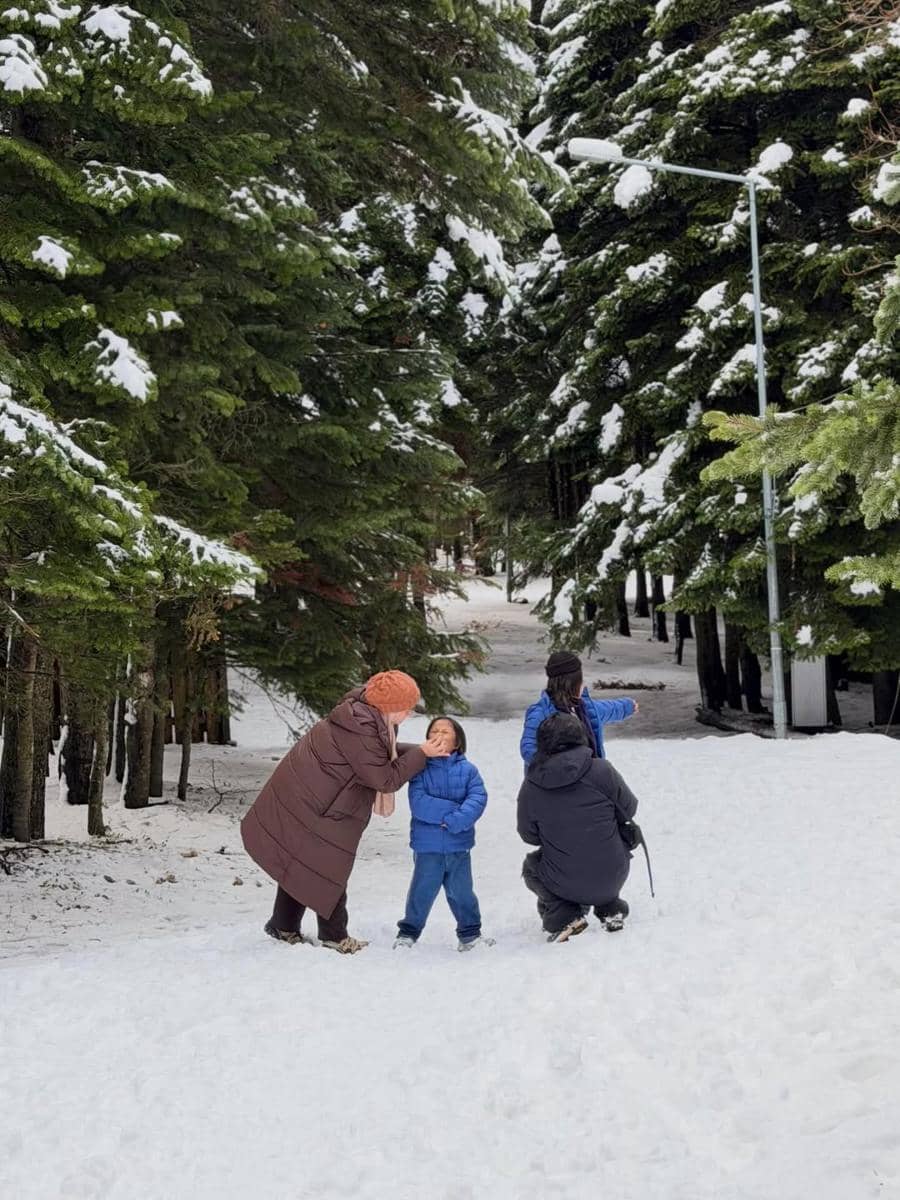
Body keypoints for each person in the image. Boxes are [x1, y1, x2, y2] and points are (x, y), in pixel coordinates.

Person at [241, 670, 450, 954]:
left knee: (303, 862)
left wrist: (421, 750)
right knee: (329, 868)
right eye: (407, 708)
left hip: (314, 798)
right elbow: (385, 778)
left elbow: (375, 754)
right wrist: (422, 754)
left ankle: (283, 925)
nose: (410, 714)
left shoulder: (363, 716)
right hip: (319, 805)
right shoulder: (362, 726)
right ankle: (335, 936)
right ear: (390, 706)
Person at [517, 712, 639, 943]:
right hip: (615, 872)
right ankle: (610, 907)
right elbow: (629, 809)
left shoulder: (532, 784)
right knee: (605, 846)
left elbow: (528, 834)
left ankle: (565, 915)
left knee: (531, 867)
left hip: (565, 880)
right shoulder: (602, 770)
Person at [394, 716, 491, 952]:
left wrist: (457, 820)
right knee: (422, 891)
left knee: (462, 893)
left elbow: (478, 799)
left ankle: (470, 935)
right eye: (433, 731)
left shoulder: (468, 771)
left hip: (459, 845)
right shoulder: (420, 769)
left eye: (445, 732)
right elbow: (419, 803)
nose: (438, 735)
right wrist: (453, 811)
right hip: (428, 847)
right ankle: (408, 933)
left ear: (457, 742)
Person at [520, 650, 637, 765]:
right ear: (572, 684)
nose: (583, 683)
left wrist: (628, 706)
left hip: (588, 774)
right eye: (581, 680)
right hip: (556, 776)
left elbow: (609, 709)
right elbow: (528, 748)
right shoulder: (541, 713)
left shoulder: (584, 709)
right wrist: (557, 765)